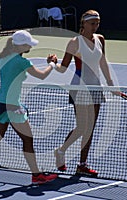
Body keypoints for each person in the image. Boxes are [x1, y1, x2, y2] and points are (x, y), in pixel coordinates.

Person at [0, 30, 58, 185]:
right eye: (28, 44)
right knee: (28, 139)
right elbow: (42, 75)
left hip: (0, 104)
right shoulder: (21, 62)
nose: (30, 46)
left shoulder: (3, 58)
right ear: (22, 46)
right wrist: (52, 64)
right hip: (12, 107)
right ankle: (36, 175)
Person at [47, 10, 115, 177]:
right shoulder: (74, 42)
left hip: (95, 87)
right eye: (92, 23)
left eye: (97, 23)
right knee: (82, 126)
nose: (95, 26)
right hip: (79, 88)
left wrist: (110, 82)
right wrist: (53, 63)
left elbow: (103, 61)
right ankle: (61, 151)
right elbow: (63, 69)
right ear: (83, 24)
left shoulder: (100, 39)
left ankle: (82, 164)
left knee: (90, 128)